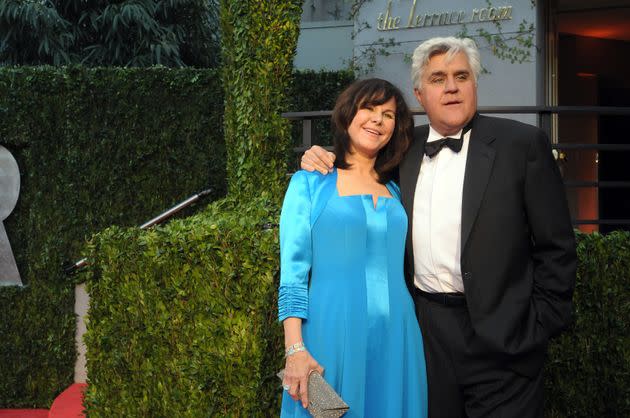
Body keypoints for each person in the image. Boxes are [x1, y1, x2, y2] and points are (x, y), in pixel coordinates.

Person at [300, 37, 577, 418]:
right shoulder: (401, 150)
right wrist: (321, 155)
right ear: (419, 93)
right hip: (425, 338)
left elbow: (557, 246)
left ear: (474, 85)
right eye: (438, 78)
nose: (451, 86)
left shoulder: (522, 144)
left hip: (504, 341)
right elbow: (356, 170)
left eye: (461, 76)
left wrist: (538, 326)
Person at [278, 78, 428, 418]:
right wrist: (295, 349)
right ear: (348, 114)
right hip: (328, 336)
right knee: (327, 414)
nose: (378, 119)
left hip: (398, 339)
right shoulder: (310, 183)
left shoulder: (398, 189)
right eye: (369, 108)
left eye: (388, 115)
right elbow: (292, 273)